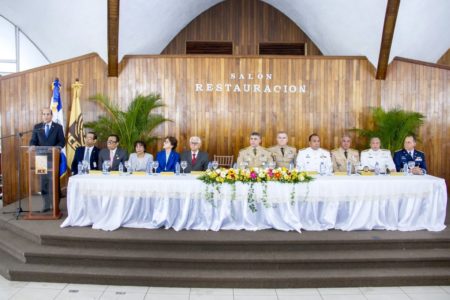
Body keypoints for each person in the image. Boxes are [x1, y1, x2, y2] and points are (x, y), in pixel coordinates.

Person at [29, 108, 65, 212]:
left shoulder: (58, 127)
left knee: (54, 182)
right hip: (41, 158)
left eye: (47, 114)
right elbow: (33, 140)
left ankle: (55, 205)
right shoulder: (37, 127)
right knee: (44, 182)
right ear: (42, 115)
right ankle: (46, 205)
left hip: (54, 157)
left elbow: (62, 142)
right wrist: (32, 145)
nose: (45, 116)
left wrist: (57, 147)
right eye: (43, 114)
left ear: (51, 115)